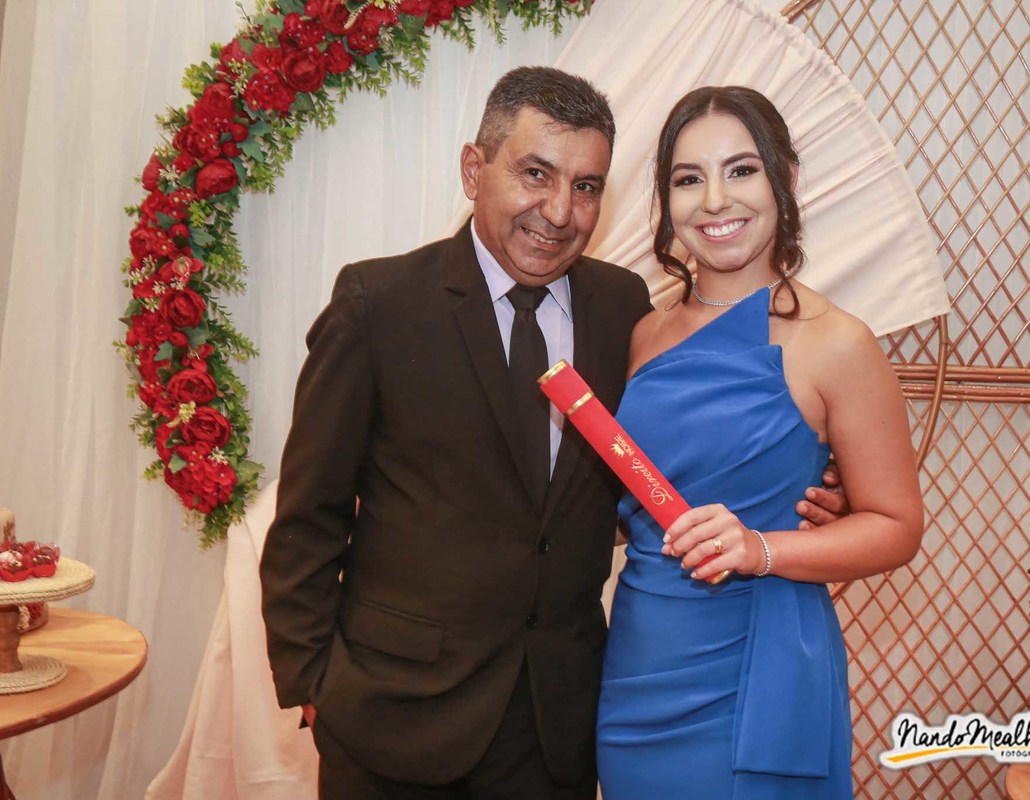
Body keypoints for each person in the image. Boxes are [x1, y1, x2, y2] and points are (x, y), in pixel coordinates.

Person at [260, 67, 847, 800]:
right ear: (474, 169)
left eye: (587, 186)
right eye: (535, 174)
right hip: (393, 716)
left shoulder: (623, 309)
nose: (560, 211)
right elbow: (308, 516)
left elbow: (663, 464)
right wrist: (316, 684)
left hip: (558, 724)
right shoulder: (378, 304)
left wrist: (806, 489)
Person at [595, 86, 925, 799]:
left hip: (759, 663)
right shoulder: (643, 333)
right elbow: (636, 499)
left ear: (785, 178)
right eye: (689, 179)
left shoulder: (837, 343)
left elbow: (897, 527)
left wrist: (760, 547)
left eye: (741, 170)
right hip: (641, 661)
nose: (715, 200)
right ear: (666, 201)